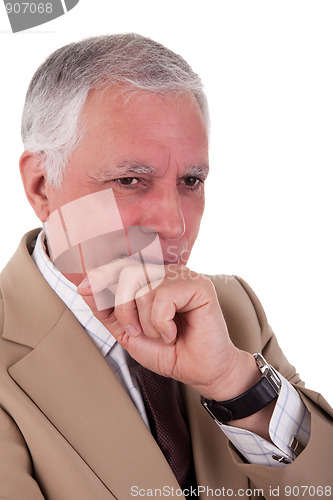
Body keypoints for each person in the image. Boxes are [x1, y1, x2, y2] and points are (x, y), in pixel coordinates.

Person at [0, 33, 332, 500]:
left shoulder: (232, 309)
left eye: (191, 180)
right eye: (130, 180)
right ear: (40, 187)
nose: (174, 225)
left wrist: (234, 386)